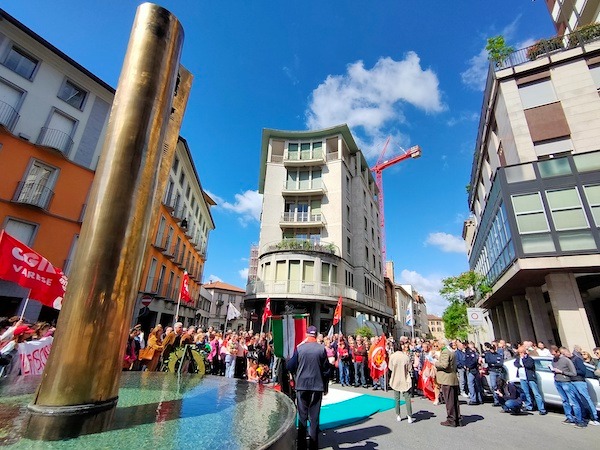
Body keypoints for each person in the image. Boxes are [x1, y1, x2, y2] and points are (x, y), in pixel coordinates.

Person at [287, 325, 331, 450]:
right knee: (314, 418)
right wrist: (325, 386)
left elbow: (290, 366)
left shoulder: (300, 349)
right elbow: (327, 371)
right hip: (317, 386)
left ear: (306, 335)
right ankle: (313, 446)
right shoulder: (321, 349)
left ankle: (301, 446)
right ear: (316, 335)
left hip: (302, 386)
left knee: (302, 416)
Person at [560, 347, 599, 426]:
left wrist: (571, 372)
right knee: (578, 400)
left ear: (567, 352)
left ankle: (594, 417)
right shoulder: (568, 361)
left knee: (586, 399)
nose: (563, 356)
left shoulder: (577, 359)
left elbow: (582, 371)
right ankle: (584, 416)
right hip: (571, 381)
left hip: (579, 381)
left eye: (564, 354)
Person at [550, 345, 585, 428]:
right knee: (564, 401)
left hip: (566, 382)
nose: (553, 356)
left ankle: (579, 420)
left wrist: (561, 372)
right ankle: (569, 417)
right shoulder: (553, 360)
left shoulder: (566, 360)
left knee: (573, 402)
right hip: (557, 382)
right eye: (552, 354)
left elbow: (573, 373)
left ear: (558, 352)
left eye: (554, 354)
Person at [435, 339, 461, 427]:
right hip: (451, 378)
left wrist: (435, 362)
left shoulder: (445, 352)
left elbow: (444, 365)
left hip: (447, 378)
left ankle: (451, 419)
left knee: (449, 400)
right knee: (454, 400)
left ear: (442, 344)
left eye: (438, 343)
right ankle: (457, 418)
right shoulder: (451, 351)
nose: (437, 345)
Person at [514, 345, 546, 415]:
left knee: (536, 393)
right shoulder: (518, 358)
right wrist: (520, 363)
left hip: (530, 377)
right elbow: (516, 364)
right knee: (526, 393)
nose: (520, 354)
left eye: (521, 353)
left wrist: (523, 360)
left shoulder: (529, 359)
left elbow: (529, 365)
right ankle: (529, 406)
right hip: (522, 378)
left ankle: (541, 408)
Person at [389, 342, 414, 424]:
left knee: (397, 398)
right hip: (405, 377)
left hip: (395, 378)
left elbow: (390, 367)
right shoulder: (406, 357)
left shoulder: (392, 356)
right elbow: (410, 368)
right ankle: (409, 416)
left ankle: (398, 415)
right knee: (407, 398)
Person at [483, 342, 504, 407]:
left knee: (499, 386)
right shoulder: (488, 355)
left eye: (493, 348)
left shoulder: (498, 354)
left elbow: (500, 363)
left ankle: (501, 400)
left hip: (499, 371)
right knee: (493, 386)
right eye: (491, 348)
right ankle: (496, 400)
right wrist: (494, 363)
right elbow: (488, 362)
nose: (492, 350)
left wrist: (494, 364)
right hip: (492, 372)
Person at [464, 341, 482, 405]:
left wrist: (468, 366)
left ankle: (474, 399)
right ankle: (478, 399)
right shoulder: (469, 352)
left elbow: (473, 361)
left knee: (471, 385)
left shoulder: (473, 353)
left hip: (473, 370)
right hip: (473, 369)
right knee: (475, 384)